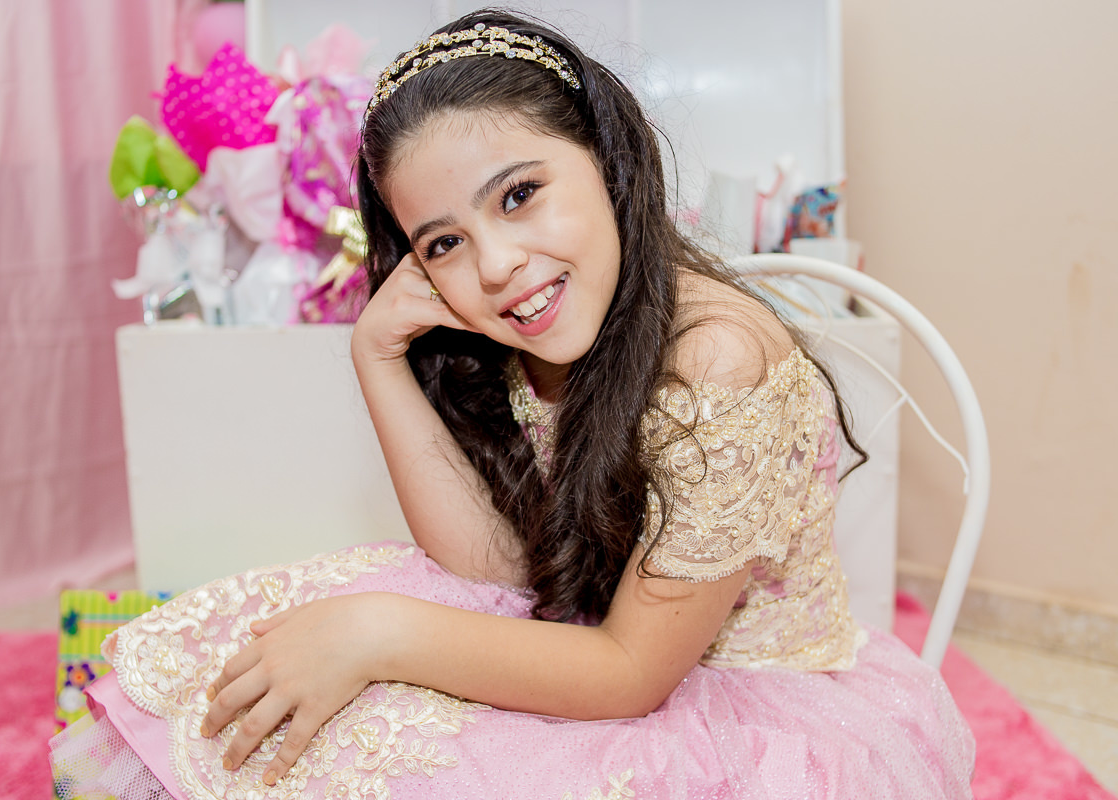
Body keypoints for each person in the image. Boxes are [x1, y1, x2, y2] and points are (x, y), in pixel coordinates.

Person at [51, 9, 974, 799]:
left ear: (608, 162)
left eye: (521, 195)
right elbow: (493, 570)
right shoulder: (525, 329)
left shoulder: (715, 363)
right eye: (443, 243)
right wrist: (376, 356)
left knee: (364, 690)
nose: (495, 266)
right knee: (269, 681)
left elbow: (630, 675)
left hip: (728, 709)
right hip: (586, 649)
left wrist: (378, 630)